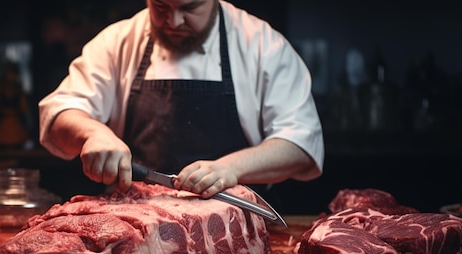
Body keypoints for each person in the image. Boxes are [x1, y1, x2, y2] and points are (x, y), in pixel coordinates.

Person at [38, 0, 324, 200]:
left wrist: (230, 169)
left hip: (234, 227)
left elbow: (300, 143)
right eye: (161, 6)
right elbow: (60, 112)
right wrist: (93, 133)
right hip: (135, 225)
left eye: (190, 8)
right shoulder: (118, 41)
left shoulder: (262, 44)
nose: (173, 22)